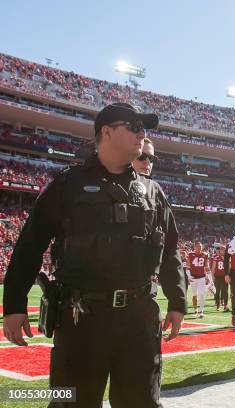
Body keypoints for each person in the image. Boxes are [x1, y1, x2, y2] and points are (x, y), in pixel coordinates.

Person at [2, 102, 186, 407]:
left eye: (145, 128)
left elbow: (170, 251)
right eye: (135, 126)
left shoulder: (153, 192)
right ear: (107, 131)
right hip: (81, 318)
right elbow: (30, 244)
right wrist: (14, 304)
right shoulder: (67, 185)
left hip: (139, 319)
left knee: (141, 403)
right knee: (72, 402)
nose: (143, 134)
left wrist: (178, 301)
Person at [187, 241, 211, 319]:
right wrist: (189, 276)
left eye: (200, 246)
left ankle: (201, 311)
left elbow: (206, 266)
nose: (199, 248)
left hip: (201, 277)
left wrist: (209, 277)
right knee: (194, 295)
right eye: (197, 246)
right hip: (193, 278)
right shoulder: (190, 255)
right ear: (194, 247)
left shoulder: (205, 255)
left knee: (201, 294)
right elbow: (188, 266)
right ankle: (196, 310)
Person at [211, 245, 229, 312]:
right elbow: (213, 267)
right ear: (220, 250)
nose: (223, 251)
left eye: (224, 250)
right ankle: (218, 305)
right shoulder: (216, 258)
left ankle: (225, 305)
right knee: (217, 292)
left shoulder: (227, 258)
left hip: (225, 276)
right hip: (218, 277)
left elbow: (230, 267)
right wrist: (212, 276)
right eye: (222, 249)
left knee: (225, 292)